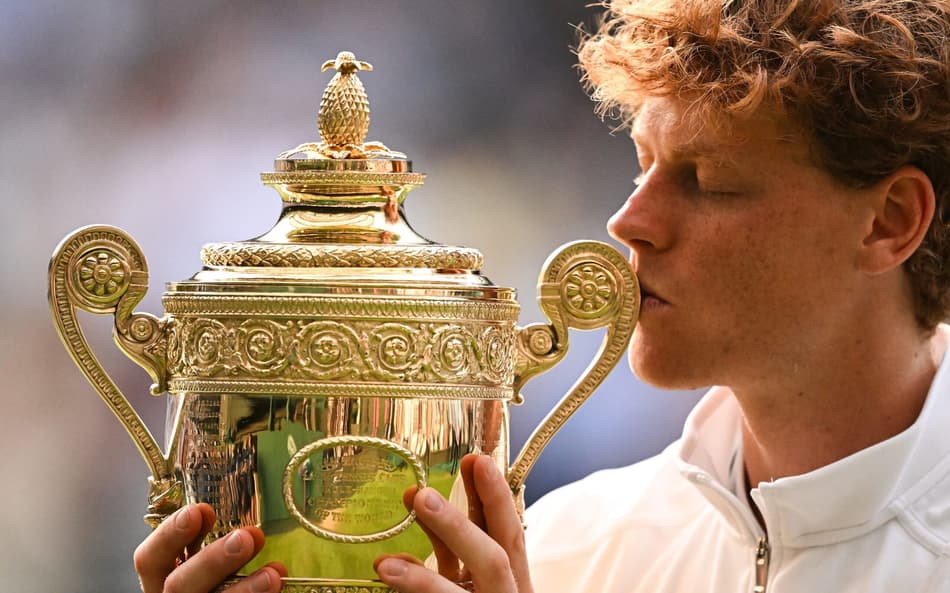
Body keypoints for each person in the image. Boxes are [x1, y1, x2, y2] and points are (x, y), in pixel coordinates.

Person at [133, 0, 950, 591]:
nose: (630, 221)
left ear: (889, 220)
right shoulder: (565, 549)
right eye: (643, 165)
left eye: (708, 183)